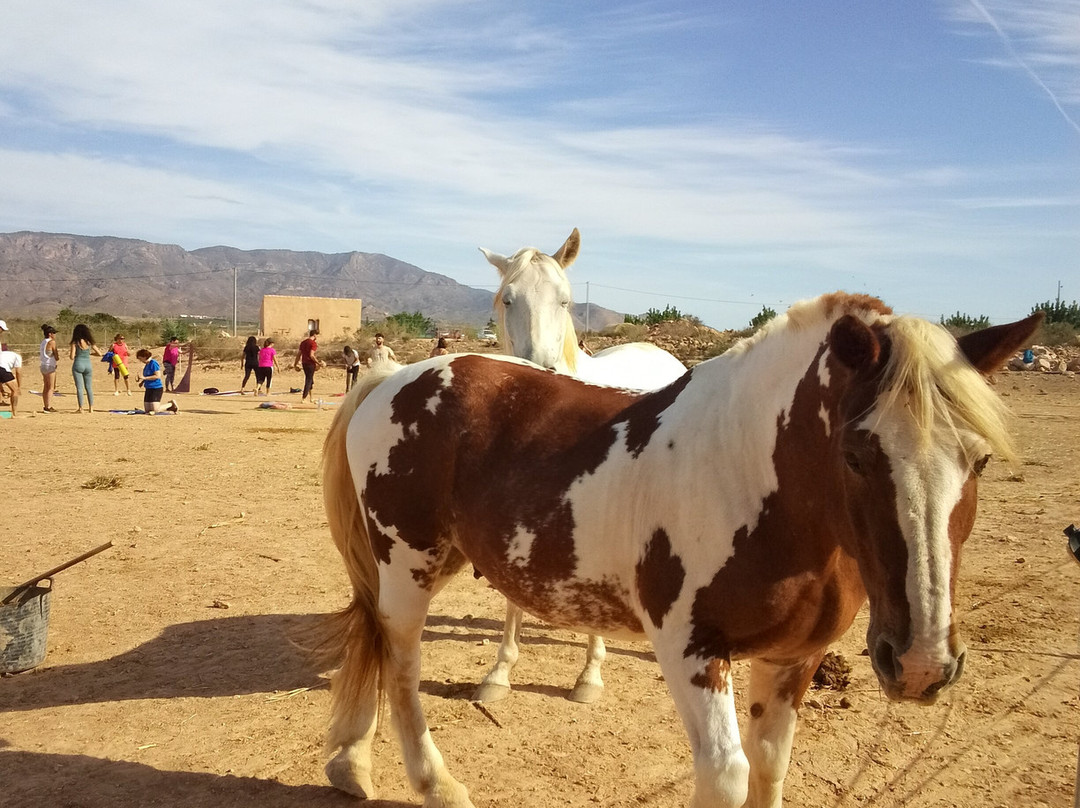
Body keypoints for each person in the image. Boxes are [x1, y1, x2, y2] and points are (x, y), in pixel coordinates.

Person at [70, 324, 103, 413]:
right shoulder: (89, 342)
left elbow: (72, 357)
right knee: (89, 387)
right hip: (88, 364)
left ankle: (81, 408)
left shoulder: (75, 342)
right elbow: (100, 354)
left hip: (78, 363)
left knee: (79, 388)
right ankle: (91, 407)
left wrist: (77, 355)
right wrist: (90, 354)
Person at [135, 348, 177, 414]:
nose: (140, 360)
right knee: (147, 410)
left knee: (155, 410)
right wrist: (142, 381)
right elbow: (147, 376)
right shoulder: (147, 365)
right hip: (148, 388)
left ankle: (171, 404)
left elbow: (157, 376)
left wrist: (144, 378)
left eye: (140, 358)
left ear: (144, 357)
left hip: (156, 388)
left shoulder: (153, 363)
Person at [293, 329, 325, 403]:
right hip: (310, 364)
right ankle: (304, 398)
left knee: (310, 380)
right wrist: (318, 363)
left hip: (304, 363)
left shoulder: (303, 342)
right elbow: (311, 355)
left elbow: (298, 355)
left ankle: (311, 398)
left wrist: (295, 364)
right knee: (309, 380)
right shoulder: (313, 343)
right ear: (314, 335)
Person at [39, 324, 60, 412]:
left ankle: (45, 405)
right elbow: (56, 356)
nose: (55, 335)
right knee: (51, 387)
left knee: (46, 386)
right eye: (54, 333)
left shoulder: (43, 342)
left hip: (43, 365)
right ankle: (48, 406)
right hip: (50, 365)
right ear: (50, 334)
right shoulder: (52, 342)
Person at [0, 340, 22, 417]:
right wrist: (19, 387)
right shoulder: (18, 357)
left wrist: (2, 390)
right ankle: (14, 413)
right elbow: (18, 372)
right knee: (15, 390)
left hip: (1, 369)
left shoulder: (4, 354)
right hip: (2, 369)